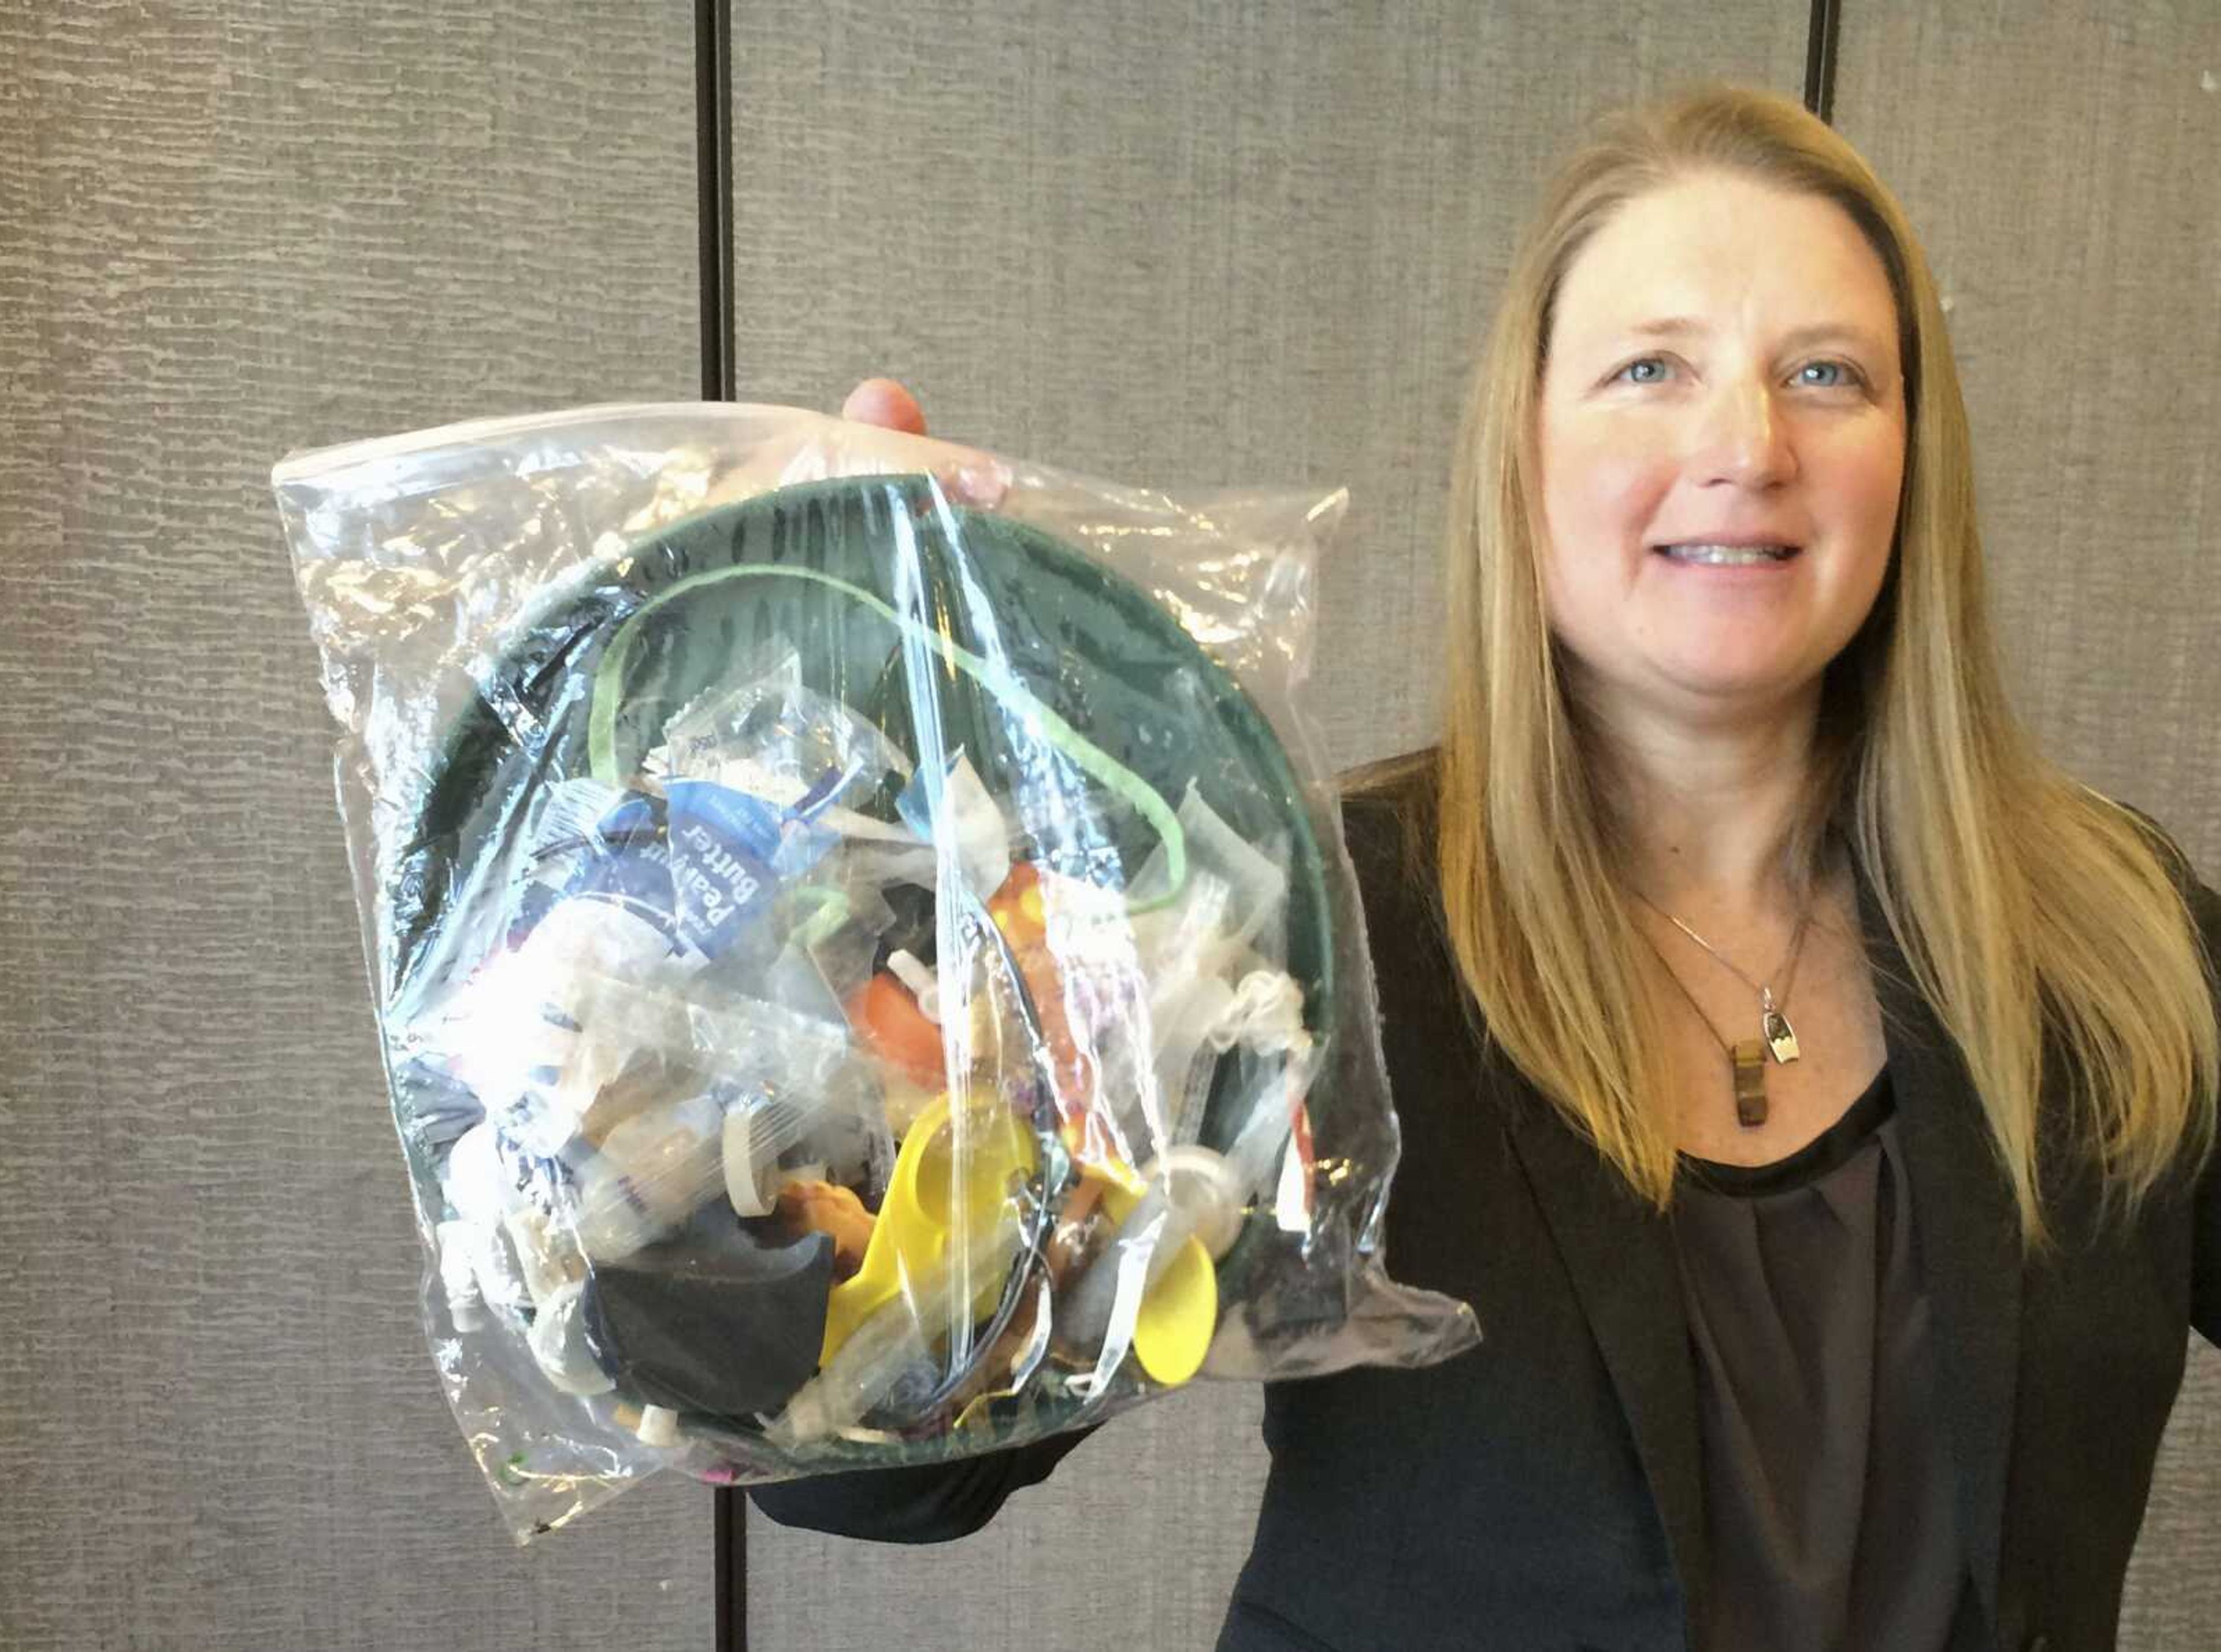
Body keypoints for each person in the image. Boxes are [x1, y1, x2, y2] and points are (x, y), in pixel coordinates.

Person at [752, 85, 2221, 1652]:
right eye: (1652, 368)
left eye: (1828, 374)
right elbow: (883, 1479)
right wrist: (819, 787)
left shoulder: (2112, 936)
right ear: (1522, 454)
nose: (1747, 443)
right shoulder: (1298, 931)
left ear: (1913, 465)